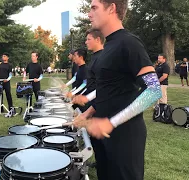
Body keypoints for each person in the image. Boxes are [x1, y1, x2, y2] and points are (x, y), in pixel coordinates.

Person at [72, 1, 162, 180]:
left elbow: (153, 90)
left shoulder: (129, 42)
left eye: (94, 7)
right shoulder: (108, 48)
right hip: (105, 137)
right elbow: (108, 89)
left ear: (111, 8)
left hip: (125, 137)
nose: (89, 13)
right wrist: (87, 113)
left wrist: (111, 123)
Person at [72, 29, 105, 112]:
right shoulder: (94, 57)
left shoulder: (103, 58)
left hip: (97, 107)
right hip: (90, 104)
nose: (86, 42)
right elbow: (90, 84)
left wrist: (86, 98)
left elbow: (103, 87)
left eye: (88, 39)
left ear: (97, 40)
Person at [0, 53, 15, 117]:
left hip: (7, 82)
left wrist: (7, 79)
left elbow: (10, 74)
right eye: (3, 56)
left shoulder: (9, 65)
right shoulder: (1, 65)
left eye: (4, 56)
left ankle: (11, 108)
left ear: (7, 58)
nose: (3, 57)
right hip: (1, 82)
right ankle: (1, 108)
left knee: (8, 94)